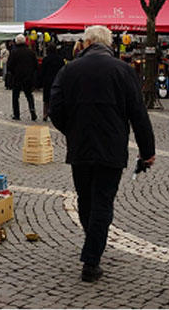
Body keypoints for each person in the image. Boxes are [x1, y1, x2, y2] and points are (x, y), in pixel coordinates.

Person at [49, 25, 155, 282]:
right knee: (103, 201)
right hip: (112, 146)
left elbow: (55, 108)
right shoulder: (124, 71)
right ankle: (92, 256)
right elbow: (138, 113)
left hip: (80, 145)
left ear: (86, 43)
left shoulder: (70, 69)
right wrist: (147, 150)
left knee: (86, 199)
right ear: (109, 44)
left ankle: (92, 246)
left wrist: (71, 130)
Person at [7, 34, 38, 120]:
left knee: (15, 96)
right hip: (28, 77)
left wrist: (13, 73)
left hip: (17, 77)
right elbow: (35, 65)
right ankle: (32, 110)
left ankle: (16, 114)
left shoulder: (14, 52)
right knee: (29, 95)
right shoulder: (30, 52)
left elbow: (9, 65)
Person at [39, 42, 64, 121]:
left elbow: (42, 71)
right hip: (57, 80)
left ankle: (45, 114)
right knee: (56, 98)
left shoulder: (46, 59)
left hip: (47, 81)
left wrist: (40, 81)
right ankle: (55, 114)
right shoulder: (60, 59)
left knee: (46, 99)